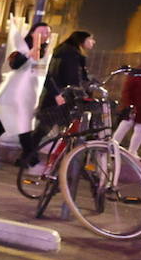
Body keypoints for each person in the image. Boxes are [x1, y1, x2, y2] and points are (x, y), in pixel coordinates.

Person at [19, 30, 95, 165]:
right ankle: (35, 158)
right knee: (56, 128)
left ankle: (29, 157)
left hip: (56, 93)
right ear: (81, 40)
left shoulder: (64, 50)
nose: (93, 42)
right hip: (63, 95)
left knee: (45, 127)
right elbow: (71, 76)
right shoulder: (72, 54)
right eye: (90, 39)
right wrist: (81, 91)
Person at [0, 18, 53, 157]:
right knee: (23, 127)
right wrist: (28, 54)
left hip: (29, 96)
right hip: (14, 94)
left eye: (48, 33)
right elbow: (14, 64)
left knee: (8, 124)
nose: (45, 35)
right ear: (32, 33)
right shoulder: (21, 46)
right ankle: (30, 160)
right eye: (42, 32)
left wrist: (56, 94)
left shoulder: (45, 52)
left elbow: (46, 76)